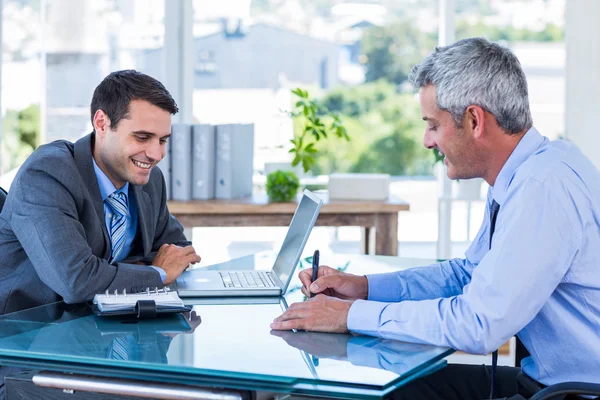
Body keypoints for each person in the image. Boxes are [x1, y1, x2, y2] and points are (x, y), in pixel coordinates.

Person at [271, 37, 600, 399]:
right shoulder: (528, 172)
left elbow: (478, 325)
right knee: (380, 388)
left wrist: (349, 316)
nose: (427, 141)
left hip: (572, 393)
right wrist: (364, 287)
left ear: (474, 120)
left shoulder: (542, 189)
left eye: (433, 125)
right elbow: (467, 274)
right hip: (548, 384)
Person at [0, 70, 201, 316]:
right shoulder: (47, 175)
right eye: (142, 137)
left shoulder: (149, 180)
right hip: (29, 333)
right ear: (102, 123)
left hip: (104, 329)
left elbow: (179, 252)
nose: (156, 154)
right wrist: (156, 273)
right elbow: (76, 282)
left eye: (162, 140)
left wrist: (111, 273)